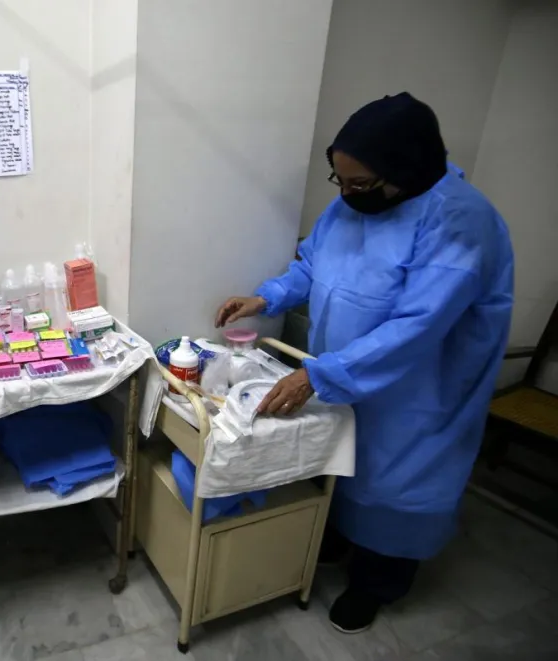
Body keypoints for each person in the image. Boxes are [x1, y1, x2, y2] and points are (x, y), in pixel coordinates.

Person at [215, 93, 513, 634]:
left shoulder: (461, 222)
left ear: (406, 168)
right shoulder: (354, 202)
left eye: (360, 184)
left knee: (398, 481)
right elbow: (314, 260)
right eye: (341, 182)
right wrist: (269, 297)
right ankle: (339, 538)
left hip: (420, 388)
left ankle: (380, 582)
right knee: (346, 459)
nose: (348, 194)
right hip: (349, 371)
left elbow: (417, 326)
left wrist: (320, 375)